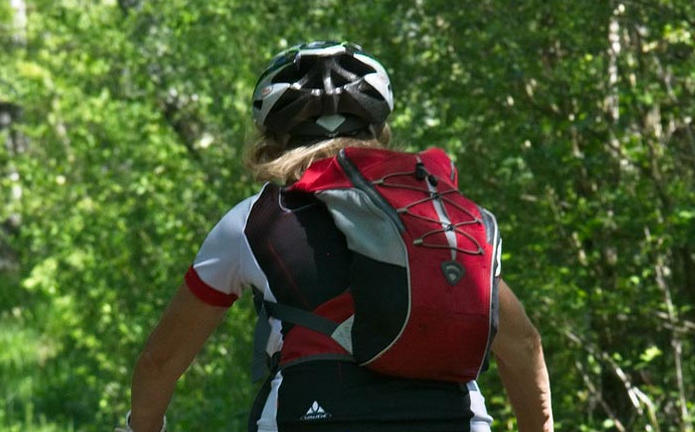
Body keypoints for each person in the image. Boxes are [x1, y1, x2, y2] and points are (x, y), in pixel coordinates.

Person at [123, 42, 553, 432]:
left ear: (272, 140)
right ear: (380, 131)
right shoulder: (438, 219)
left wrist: (140, 426)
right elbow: (523, 344)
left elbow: (162, 361)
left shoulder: (255, 220)